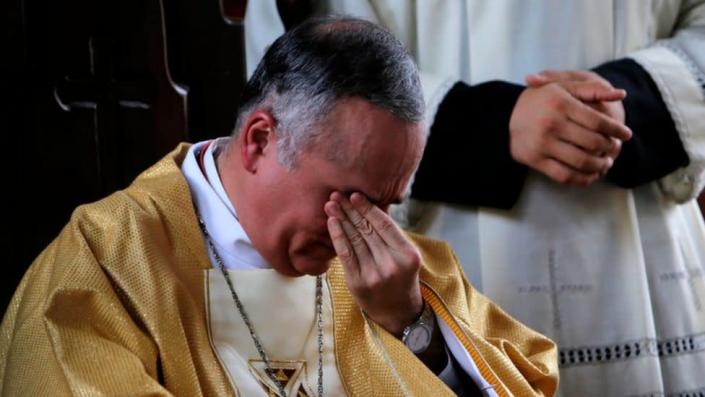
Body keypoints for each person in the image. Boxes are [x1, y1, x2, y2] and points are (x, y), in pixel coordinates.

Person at [0, 16, 560, 396]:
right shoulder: (101, 268)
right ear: (261, 141)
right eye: (350, 197)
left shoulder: (403, 273)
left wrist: (413, 327)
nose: (369, 228)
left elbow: (528, 381)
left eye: (390, 203)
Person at [244, 1, 705, 395]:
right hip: (427, 236)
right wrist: (488, 123)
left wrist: (632, 105)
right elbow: (299, 52)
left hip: (639, 247)